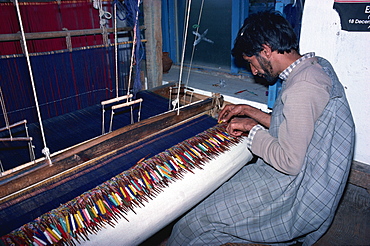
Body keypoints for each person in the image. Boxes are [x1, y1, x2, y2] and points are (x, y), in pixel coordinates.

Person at [167, 11, 355, 245]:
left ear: (266, 50)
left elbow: (289, 162)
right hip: (300, 174)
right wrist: (249, 112)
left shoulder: (302, 88)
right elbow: (296, 125)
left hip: (291, 192)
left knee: (192, 223)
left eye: (251, 62)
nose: (254, 71)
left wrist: (252, 132)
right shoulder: (315, 68)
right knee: (211, 202)